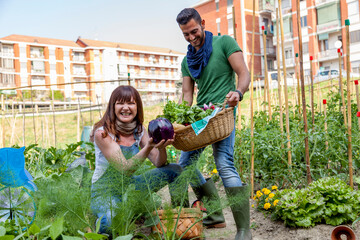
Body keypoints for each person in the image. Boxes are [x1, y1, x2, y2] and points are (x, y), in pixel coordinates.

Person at [176, 8, 252, 240]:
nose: (191, 37)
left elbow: (244, 73)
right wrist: (177, 119)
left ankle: (243, 231)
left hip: (223, 114)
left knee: (224, 162)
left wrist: (238, 93)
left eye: (194, 31)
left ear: (203, 24)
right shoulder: (187, 61)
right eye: (186, 34)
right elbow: (188, 96)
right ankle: (215, 216)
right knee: (185, 164)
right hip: (201, 119)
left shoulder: (224, 43)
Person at [90, 85, 186, 234]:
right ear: (112, 107)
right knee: (110, 220)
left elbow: (158, 162)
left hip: (131, 188)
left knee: (176, 170)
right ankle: (99, 219)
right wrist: (147, 147)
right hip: (105, 192)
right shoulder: (103, 133)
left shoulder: (139, 130)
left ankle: (181, 219)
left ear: (137, 107)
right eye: (120, 103)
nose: (126, 108)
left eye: (131, 103)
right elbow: (125, 168)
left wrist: (161, 148)